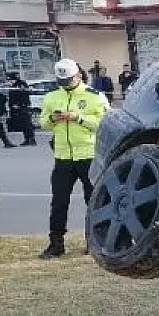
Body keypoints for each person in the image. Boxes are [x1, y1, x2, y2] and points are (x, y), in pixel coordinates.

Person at [38, 58, 108, 259]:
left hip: (88, 156)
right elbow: (42, 122)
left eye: (68, 80)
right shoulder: (51, 97)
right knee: (59, 202)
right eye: (62, 81)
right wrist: (53, 118)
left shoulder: (95, 97)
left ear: (78, 75)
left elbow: (105, 124)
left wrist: (78, 118)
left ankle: (95, 241)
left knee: (94, 201)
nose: (65, 84)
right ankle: (56, 244)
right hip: (62, 157)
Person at [7, 77, 36, 145]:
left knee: (27, 124)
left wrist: (20, 104)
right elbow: (12, 96)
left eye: (11, 80)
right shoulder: (13, 86)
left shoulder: (21, 84)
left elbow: (25, 94)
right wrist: (12, 104)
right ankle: (26, 139)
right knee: (23, 125)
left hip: (23, 107)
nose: (10, 81)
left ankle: (31, 139)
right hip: (18, 108)